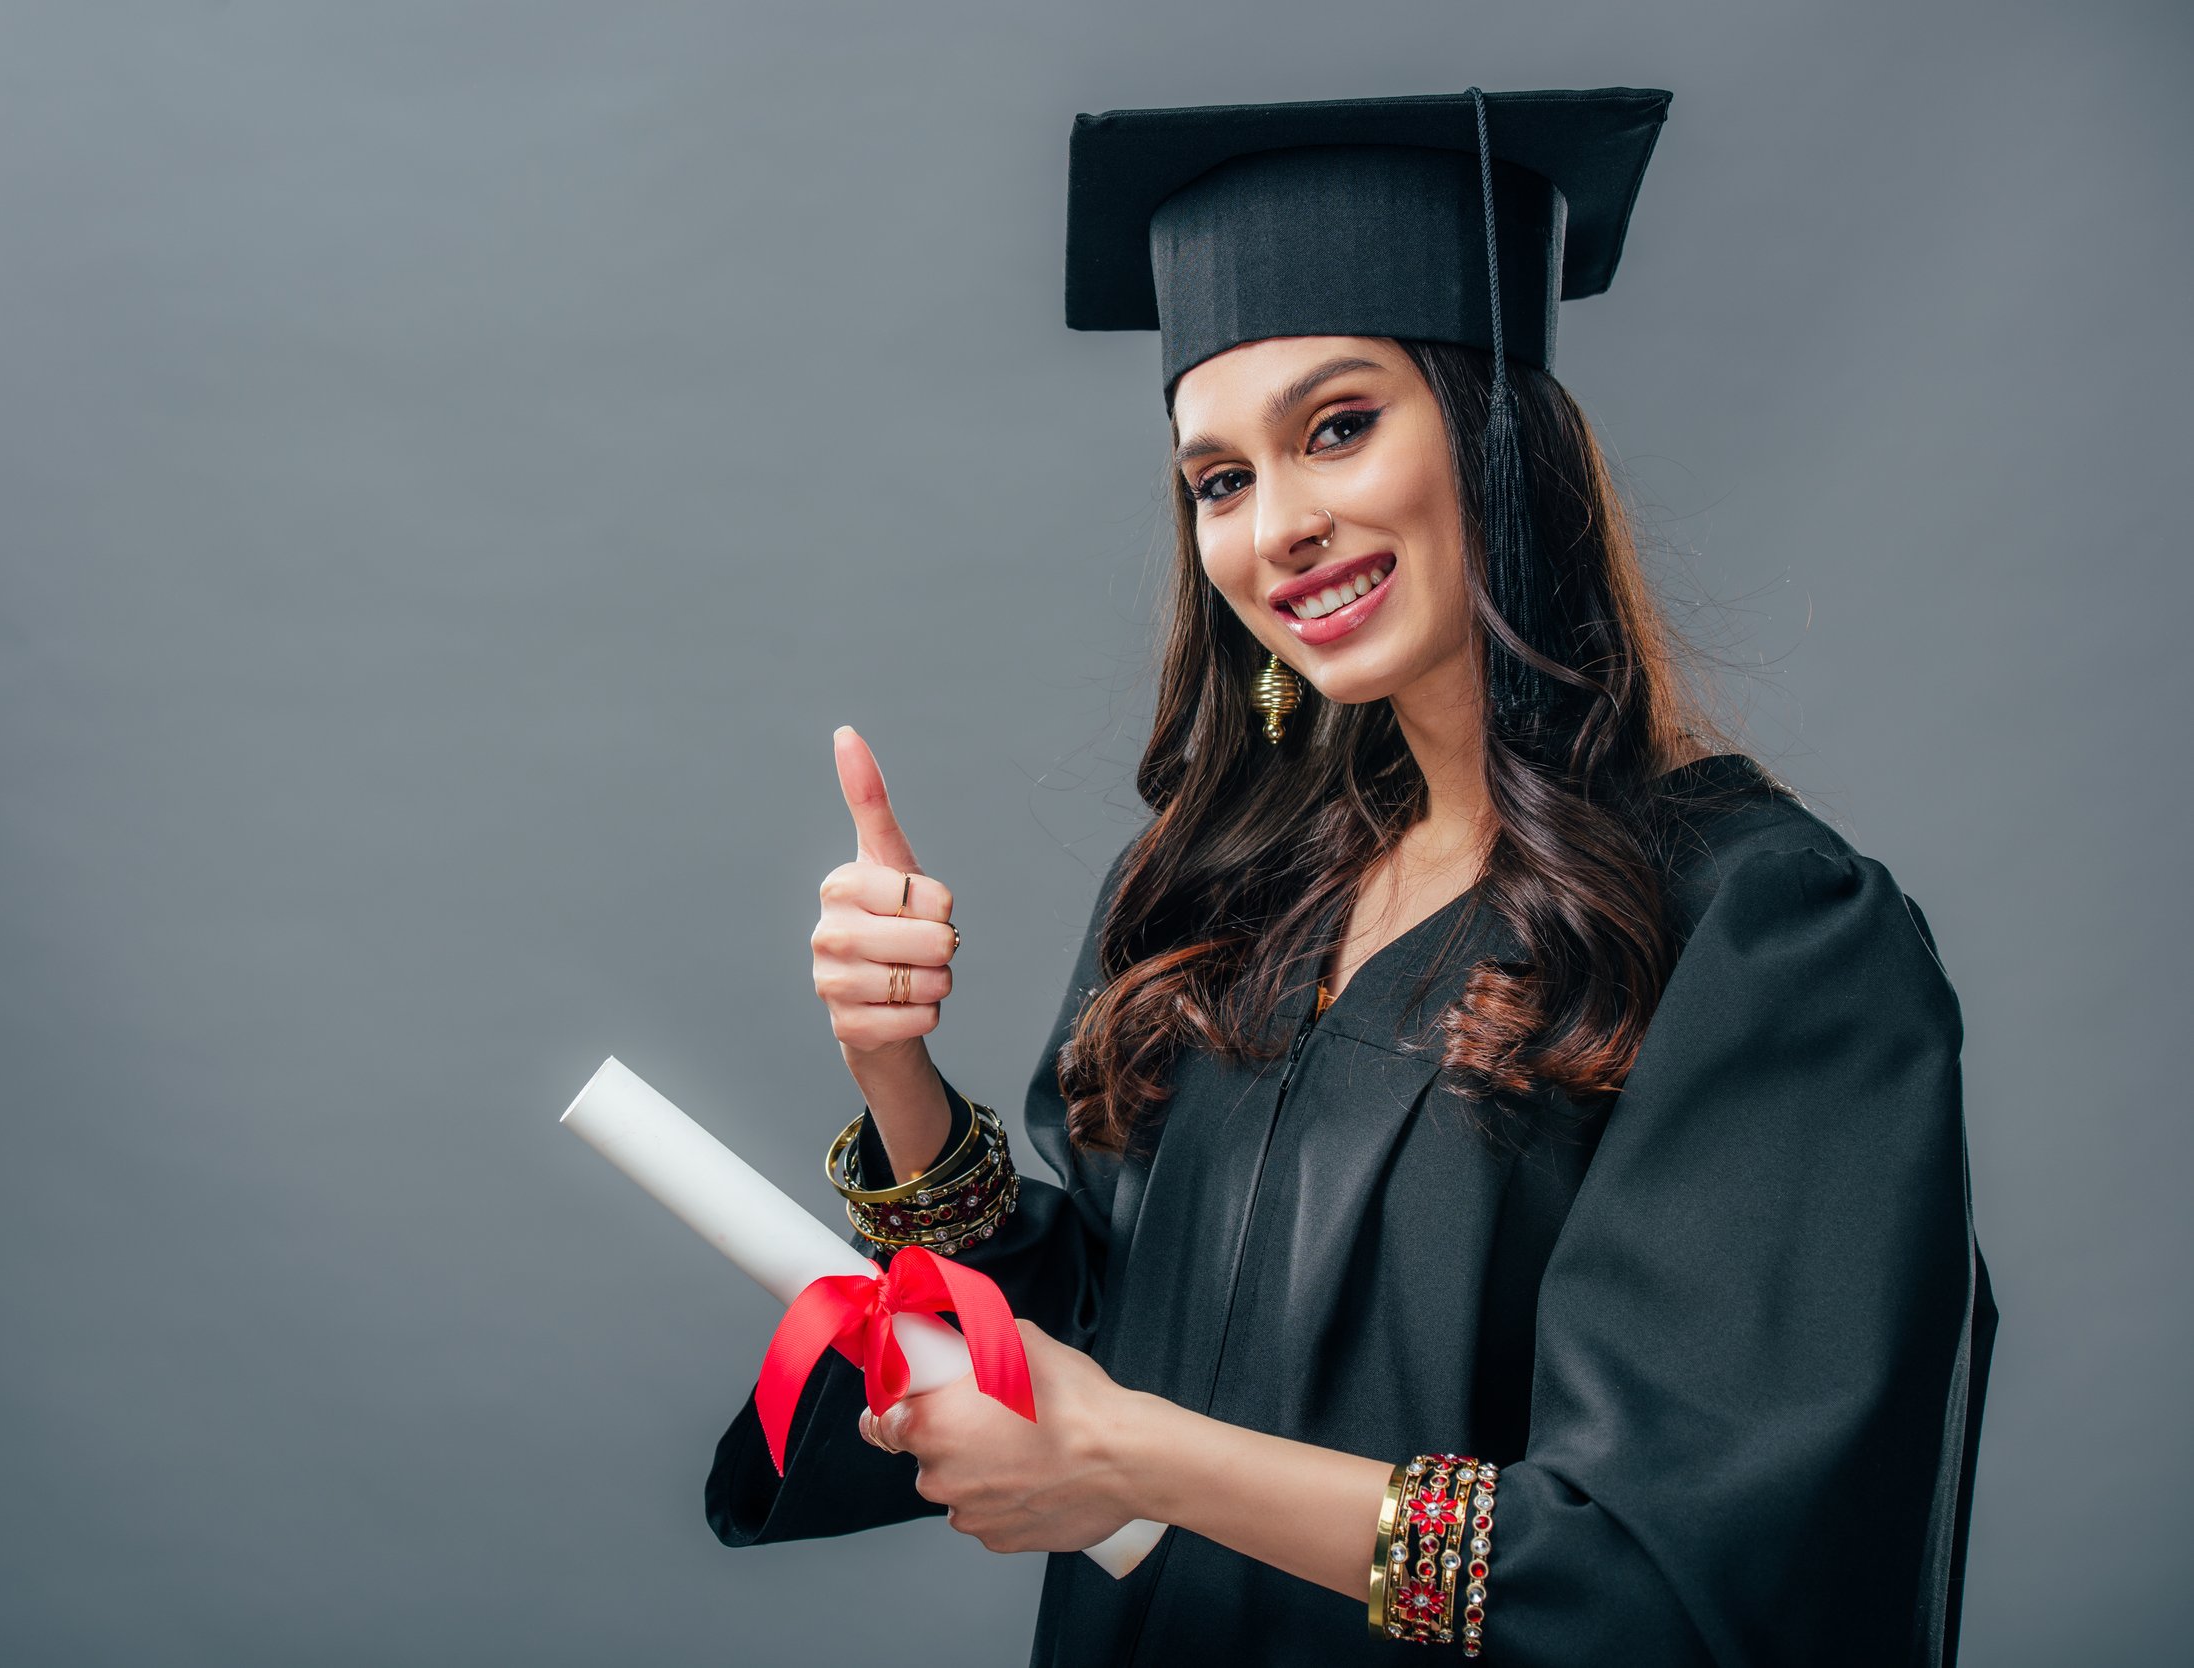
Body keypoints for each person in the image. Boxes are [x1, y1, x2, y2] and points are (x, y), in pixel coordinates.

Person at [703, 86, 1994, 1667]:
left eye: (1338, 426)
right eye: (1220, 480)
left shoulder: (1757, 934)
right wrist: (896, 1073)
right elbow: (1110, 1335)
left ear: (1500, 435)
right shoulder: (1214, 897)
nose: (1280, 530)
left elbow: (1679, 1570)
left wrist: (1134, 1457)